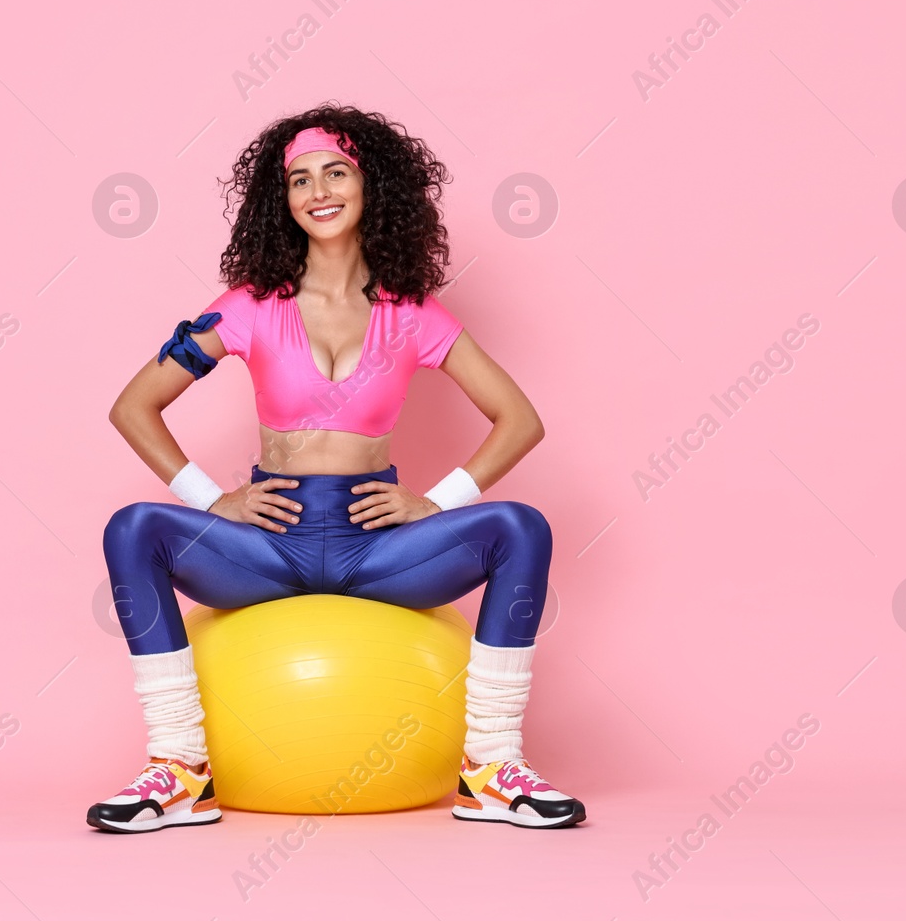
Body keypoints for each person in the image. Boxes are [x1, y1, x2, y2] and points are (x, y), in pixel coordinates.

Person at [87, 104, 584, 833]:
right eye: (299, 179)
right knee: (133, 529)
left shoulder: (413, 313)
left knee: (522, 527)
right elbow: (133, 405)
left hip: (377, 543)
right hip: (270, 542)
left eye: (337, 172)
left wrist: (437, 502)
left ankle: (491, 766)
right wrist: (209, 498)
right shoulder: (247, 307)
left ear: (371, 186)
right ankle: (179, 768)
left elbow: (521, 419)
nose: (317, 190)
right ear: (280, 201)